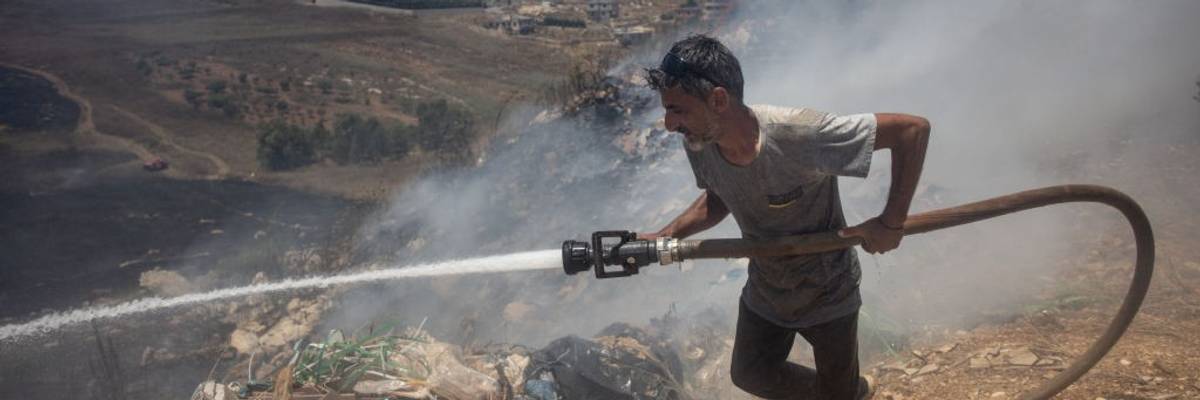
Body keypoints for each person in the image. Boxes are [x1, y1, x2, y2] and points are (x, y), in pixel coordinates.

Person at [640, 34, 930, 400]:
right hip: (768, 289)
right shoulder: (700, 143)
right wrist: (668, 234)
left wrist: (891, 222)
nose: (668, 124)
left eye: (678, 110)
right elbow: (719, 197)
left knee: (835, 393)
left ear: (718, 99)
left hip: (828, 291)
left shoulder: (799, 134)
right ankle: (849, 393)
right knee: (751, 374)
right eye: (667, 110)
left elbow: (912, 131)